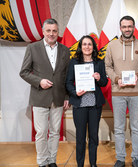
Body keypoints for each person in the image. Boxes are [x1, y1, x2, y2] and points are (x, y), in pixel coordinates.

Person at [19, 18, 70, 167]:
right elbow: (24, 72)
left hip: (58, 97)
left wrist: (67, 96)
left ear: (57, 32)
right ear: (43, 32)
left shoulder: (65, 50)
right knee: (41, 133)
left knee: (55, 132)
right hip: (39, 97)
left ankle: (52, 160)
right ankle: (42, 162)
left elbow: (66, 76)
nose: (51, 34)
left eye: (54, 31)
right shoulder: (33, 48)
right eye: (48, 30)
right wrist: (39, 81)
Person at [105, 15, 138, 167]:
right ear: (120, 28)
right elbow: (107, 67)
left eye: (129, 26)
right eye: (124, 26)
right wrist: (116, 78)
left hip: (136, 93)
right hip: (118, 93)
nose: (127, 29)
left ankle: (136, 157)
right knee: (119, 127)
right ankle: (121, 158)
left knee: (136, 126)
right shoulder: (111, 46)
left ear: (133, 27)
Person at [66, 35, 108, 167]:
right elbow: (68, 82)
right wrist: (74, 92)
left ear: (93, 47)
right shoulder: (74, 62)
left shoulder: (99, 62)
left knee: (94, 137)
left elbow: (104, 82)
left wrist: (99, 78)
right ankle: (80, 164)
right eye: (84, 44)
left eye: (89, 44)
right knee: (80, 137)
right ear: (80, 47)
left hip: (95, 105)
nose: (87, 47)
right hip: (80, 104)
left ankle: (93, 164)